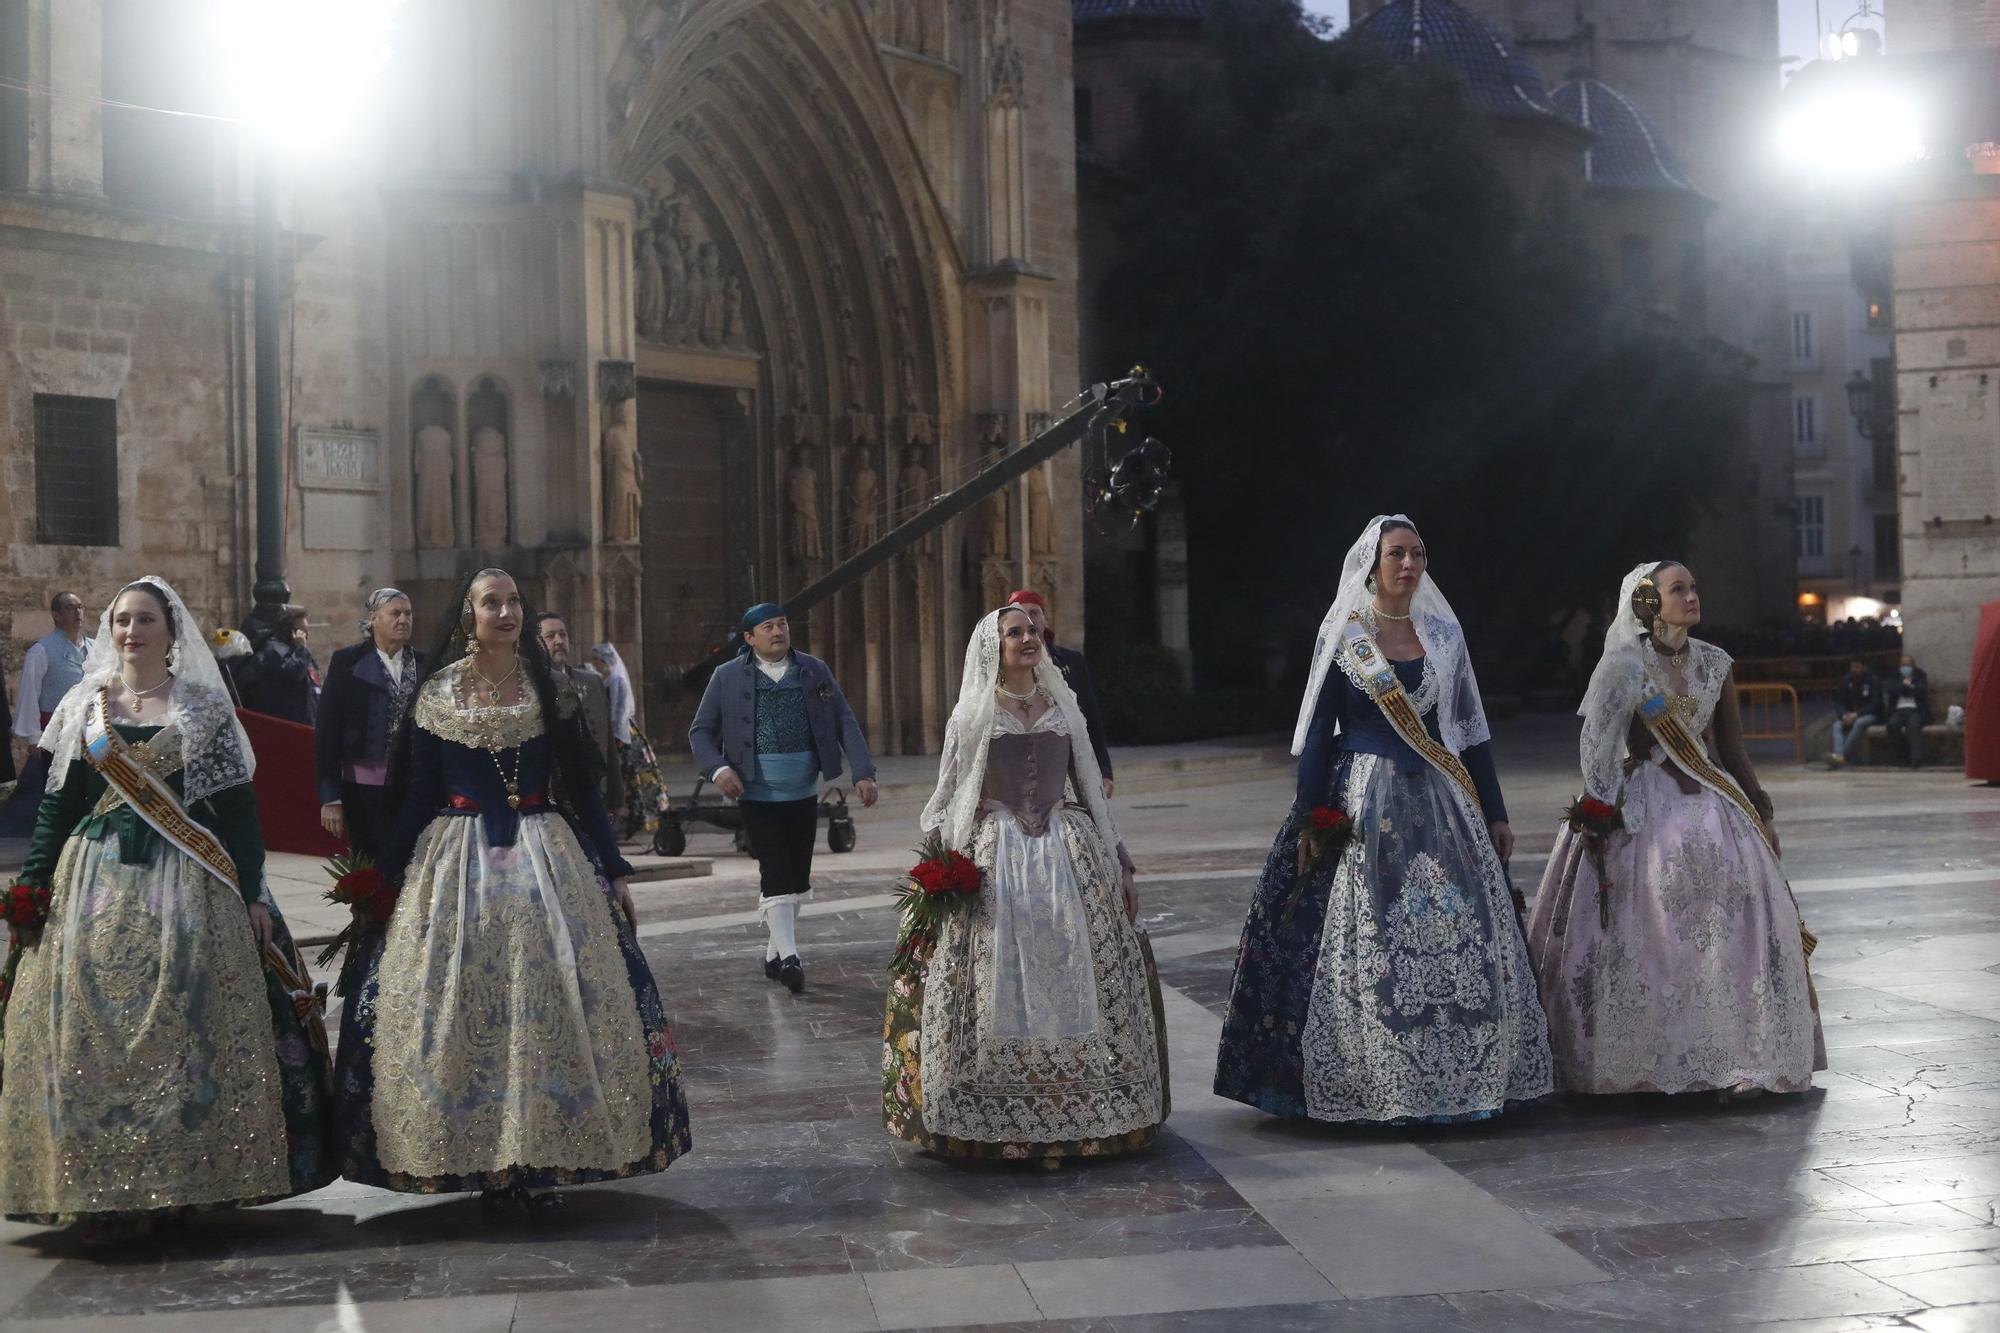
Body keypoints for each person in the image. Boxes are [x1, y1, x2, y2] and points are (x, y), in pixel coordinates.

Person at [334, 569, 689, 1213]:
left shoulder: (548, 689)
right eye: (490, 603)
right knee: (464, 1004)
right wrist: (383, 876)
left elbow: (581, 787)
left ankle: (537, 1154)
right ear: (468, 616)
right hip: (455, 864)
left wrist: (612, 870)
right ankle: (477, 1156)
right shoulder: (437, 693)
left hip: (546, 855)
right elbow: (416, 796)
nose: (505, 612)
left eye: (514, 602)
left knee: (543, 1002)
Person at [0, 579, 334, 1240]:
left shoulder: (205, 709)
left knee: (185, 1024)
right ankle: (97, 1180)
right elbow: (57, 809)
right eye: (121, 620)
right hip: (92, 882)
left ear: (170, 631)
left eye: (144, 619)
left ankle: (186, 1175)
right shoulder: (81, 708)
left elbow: (238, 812)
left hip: (187, 882)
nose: (130, 631)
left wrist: (254, 892)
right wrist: (31, 887)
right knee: (89, 1030)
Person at [1213, 515, 1551, 1125]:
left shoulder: (1444, 635)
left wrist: (1494, 809)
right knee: (1368, 935)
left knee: (1457, 934)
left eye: (1418, 554)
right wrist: (1311, 818)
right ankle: (1371, 1074)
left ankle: (1464, 1074)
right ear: (1372, 562)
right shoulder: (1346, 633)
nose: (1409, 565)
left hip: (1444, 804)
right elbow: (1318, 734)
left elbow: (1472, 735)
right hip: (1364, 797)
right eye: (1397, 554)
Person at [1526, 561, 1825, 1098]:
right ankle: (1644, 1060)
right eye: (1678, 589)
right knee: (1649, 927)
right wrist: (1599, 813)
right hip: (1644, 807)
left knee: (1729, 928)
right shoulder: (1624, 664)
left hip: (1714, 807)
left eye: (1694, 588)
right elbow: (1599, 743)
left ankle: (1731, 1054)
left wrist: (1761, 811)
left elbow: (1731, 748)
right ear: (1648, 602)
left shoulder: (1715, 662)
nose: (1691, 596)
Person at [882, 606, 1166, 1160]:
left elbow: (1088, 787)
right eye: (1015, 632)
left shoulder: (1065, 707)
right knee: (997, 978)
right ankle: (989, 1101)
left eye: (1033, 630)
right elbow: (947, 799)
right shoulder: (971, 715)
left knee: (1074, 970)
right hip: (996, 859)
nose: (1028, 638)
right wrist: (939, 872)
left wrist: (1121, 860)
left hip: (1068, 852)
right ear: (995, 645)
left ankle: (1078, 1101)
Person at [689, 603, 879, 992]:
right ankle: (792, 959)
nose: (778, 632)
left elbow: (844, 719)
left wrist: (863, 772)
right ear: (748, 638)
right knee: (774, 869)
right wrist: (719, 770)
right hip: (755, 791)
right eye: (767, 627)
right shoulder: (726, 677)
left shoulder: (813, 670)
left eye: (782, 625)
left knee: (796, 874)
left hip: (802, 788)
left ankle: (776, 951)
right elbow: (700, 731)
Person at [316, 589, 424, 859]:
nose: (403, 620)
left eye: (408, 614)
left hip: (417, 787)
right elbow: (327, 732)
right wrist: (331, 796)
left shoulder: (425, 664)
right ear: (374, 618)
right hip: (364, 793)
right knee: (373, 870)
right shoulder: (347, 663)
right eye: (395, 613)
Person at [1005, 589, 1115, 796]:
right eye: (1021, 613)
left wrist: (1104, 770)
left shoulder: (1071, 661)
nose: (1029, 618)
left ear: (1045, 618)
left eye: (1034, 612)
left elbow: (1090, 716)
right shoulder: (1007, 669)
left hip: (1071, 764)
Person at [1, 592, 90, 836]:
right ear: (56, 615)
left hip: (90, 734)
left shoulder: (93, 649)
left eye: (80, 607)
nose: (78, 613)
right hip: (56, 734)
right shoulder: (42, 651)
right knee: (57, 793)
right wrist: (33, 738)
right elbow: (30, 693)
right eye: (71, 608)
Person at [539, 614, 624, 814]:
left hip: (595, 793)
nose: (559, 641)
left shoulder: (592, 682)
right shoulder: (531, 686)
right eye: (550, 636)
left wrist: (615, 798)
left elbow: (607, 743)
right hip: (552, 801)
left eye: (563, 634)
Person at [592, 642, 660, 839]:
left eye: (596, 660)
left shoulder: (616, 680)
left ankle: (631, 821)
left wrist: (613, 738)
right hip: (616, 733)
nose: (594, 664)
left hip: (622, 735)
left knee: (628, 778)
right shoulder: (609, 679)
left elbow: (618, 712)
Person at [249, 608, 321, 725]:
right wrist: (301, 648)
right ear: (291, 632)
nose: (306, 635)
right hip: (289, 726)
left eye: (306, 630)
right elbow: (294, 674)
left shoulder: (303, 654)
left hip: (310, 725)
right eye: (301, 630)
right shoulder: (275, 650)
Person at [1828, 657, 1883, 768]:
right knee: (1837, 726)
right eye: (1852, 667)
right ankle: (1839, 756)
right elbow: (1840, 702)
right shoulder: (1847, 680)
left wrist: (1857, 714)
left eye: (1857, 667)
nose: (1854, 670)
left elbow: (1875, 704)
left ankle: (1841, 756)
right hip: (1850, 715)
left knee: (1859, 723)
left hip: (1872, 715)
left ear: (1864, 668)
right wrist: (1843, 714)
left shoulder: (1873, 680)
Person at [1882, 653, 1932, 769]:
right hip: (1898, 710)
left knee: (1913, 725)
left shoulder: (1920, 675)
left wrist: (1906, 688)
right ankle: (1902, 758)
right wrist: (1907, 687)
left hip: (1915, 710)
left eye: (1908, 665)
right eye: (1904, 665)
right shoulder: (1894, 675)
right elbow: (1892, 689)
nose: (1906, 667)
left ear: (1913, 666)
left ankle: (1917, 760)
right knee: (1892, 725)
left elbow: (1920, 690)